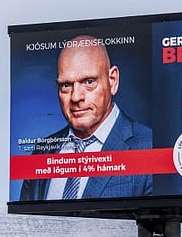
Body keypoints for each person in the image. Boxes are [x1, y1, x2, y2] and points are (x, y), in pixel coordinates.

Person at [19, 36, 152, 201]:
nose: (76, 97)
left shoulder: (151, 147)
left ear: (113, 81)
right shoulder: (40, 153)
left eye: (89, 82)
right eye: (66, 85)